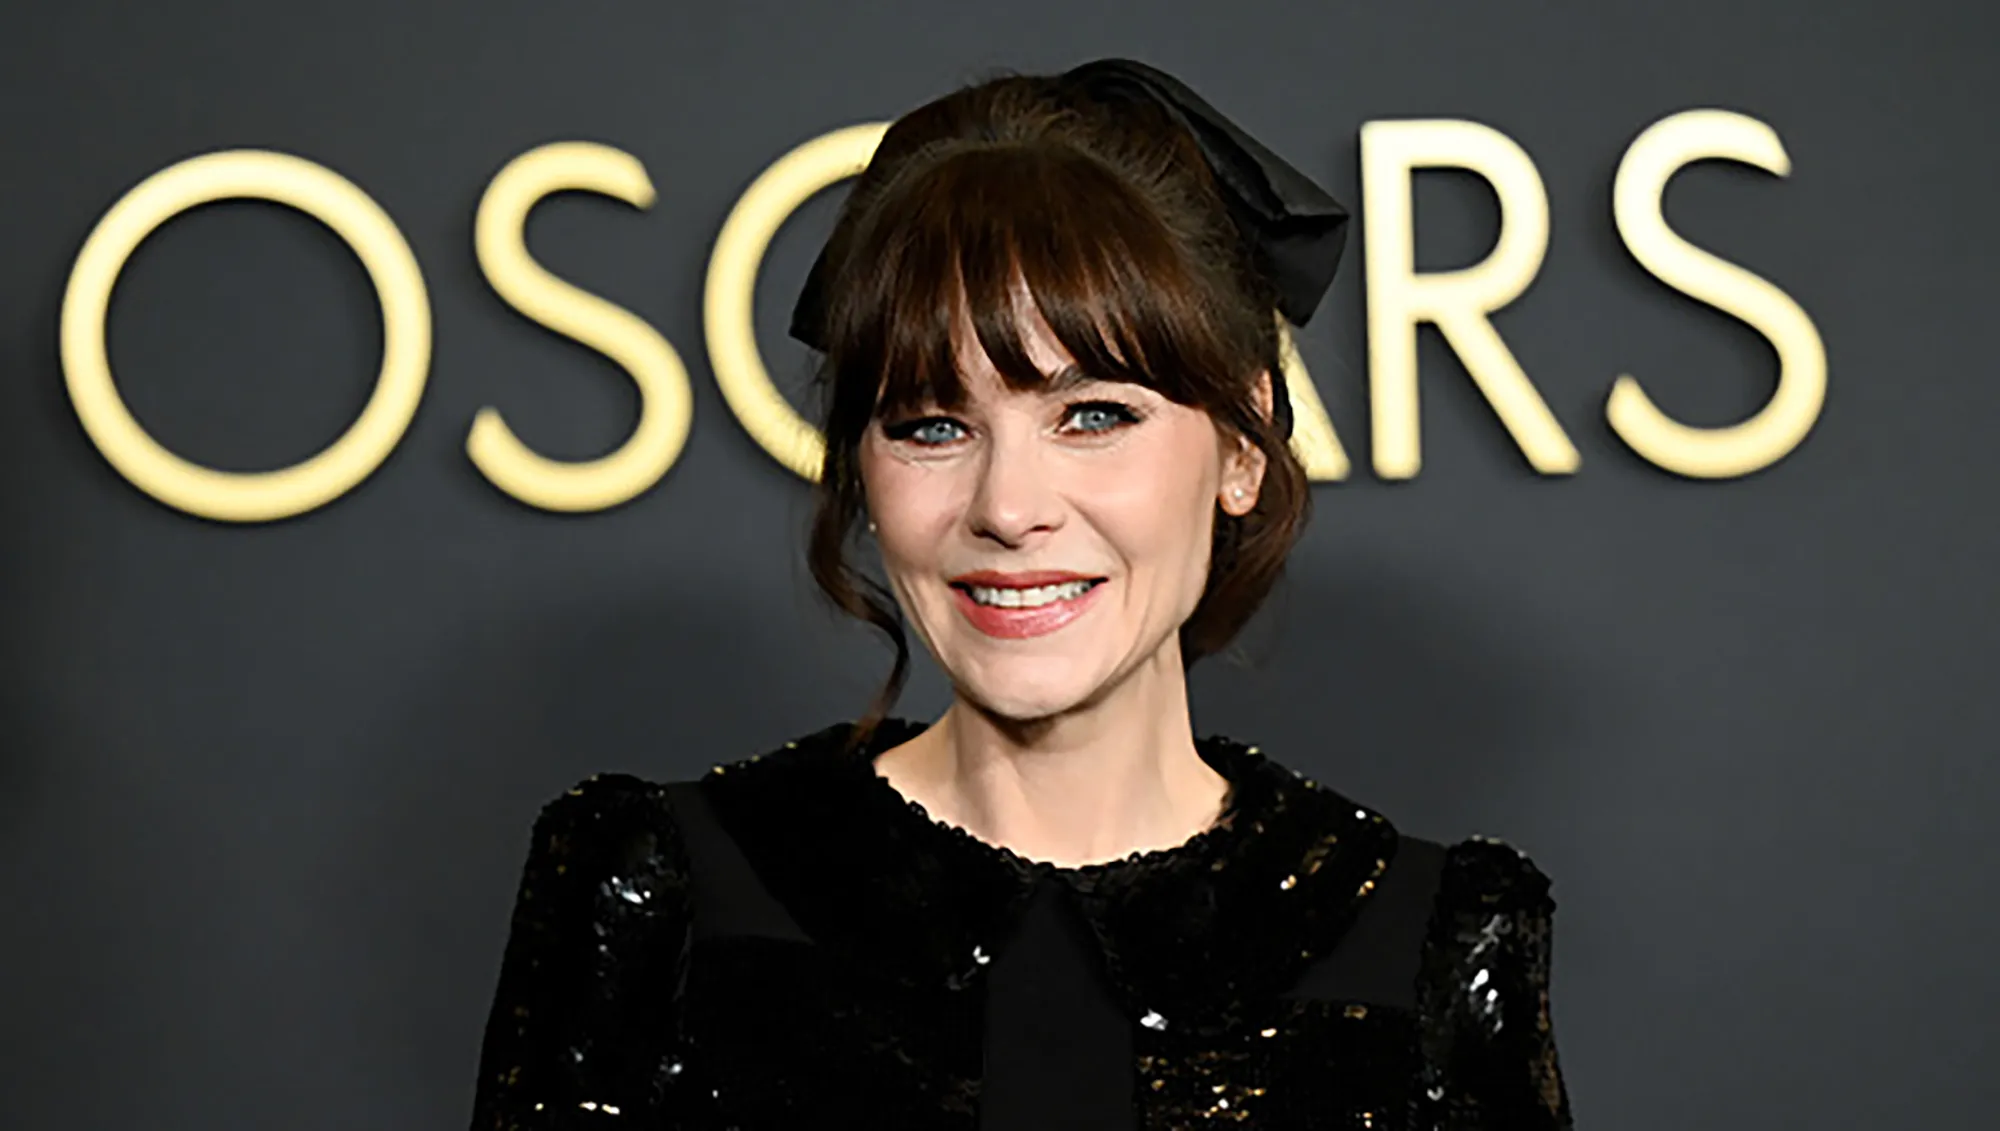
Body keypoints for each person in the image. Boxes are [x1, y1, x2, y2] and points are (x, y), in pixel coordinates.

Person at [467, 59, 1574, 1131]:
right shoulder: (666, 890)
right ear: (859, 470)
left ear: (1243, 444)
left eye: (1091, 415)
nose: (1009, 507)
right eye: (932, 426)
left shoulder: (1424, 935)